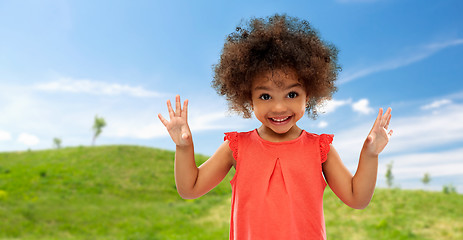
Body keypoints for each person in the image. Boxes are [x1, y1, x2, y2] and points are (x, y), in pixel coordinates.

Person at [158, 14, 393, 240]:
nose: (279, 107)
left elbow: (357, 198)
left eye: (292, 94)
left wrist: (370, 154)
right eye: (265, 97)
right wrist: (183, 147)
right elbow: (190, 188)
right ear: (248, 98)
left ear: (308, 95)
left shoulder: (320, 149)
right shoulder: (236, 147)